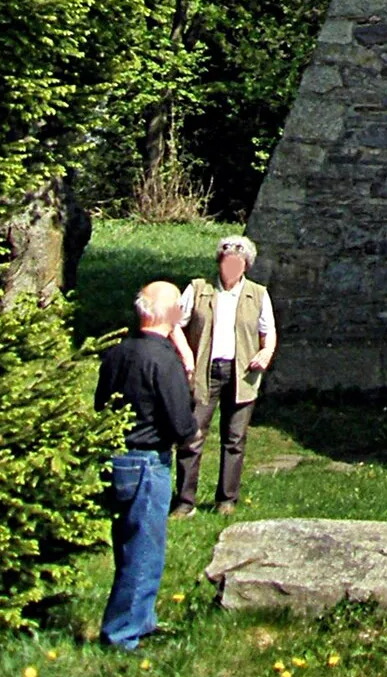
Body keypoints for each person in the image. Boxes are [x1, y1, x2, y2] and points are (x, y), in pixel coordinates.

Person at [94, 282, 195, 652]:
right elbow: (180, 420)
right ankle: (123, 634)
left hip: (116, 457)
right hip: (147, 460)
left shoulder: (116, 353)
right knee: (144, 550)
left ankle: (141, 617)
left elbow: (100, 403)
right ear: (170, 314)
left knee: (126, 544)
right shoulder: (163, 359)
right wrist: (187, 432)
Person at [172, 233, 277, 516]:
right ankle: (184, 501)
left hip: (242, 373)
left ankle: (227, 499)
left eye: (238, 262)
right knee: (192, 435)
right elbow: (175, 325)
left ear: (246, 266)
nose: (231, 267)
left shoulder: (258, 294)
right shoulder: (199, 289)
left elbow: (268, 332)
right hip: (205, 370)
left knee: (234, 438)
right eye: (226, 261)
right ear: (219, 262)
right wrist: (186, 356)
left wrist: (266, 353)